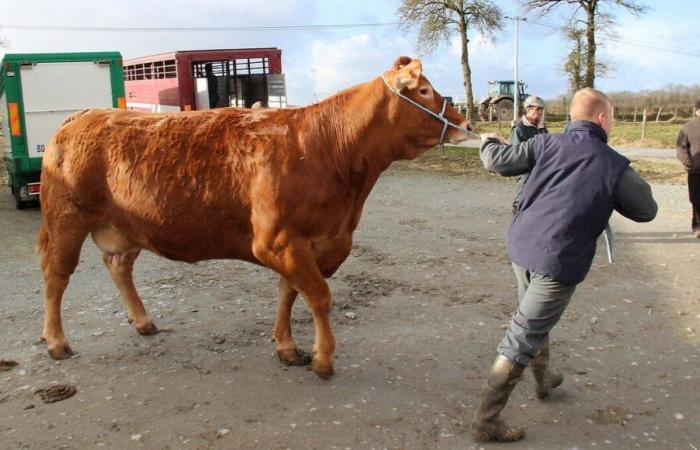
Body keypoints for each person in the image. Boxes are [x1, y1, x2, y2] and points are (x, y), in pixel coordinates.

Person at [472, 88, 658, 443]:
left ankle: (543, 381)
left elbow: (497, 160)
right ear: (602, 118)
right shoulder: (612, 164)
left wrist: (487, 141)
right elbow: (647, 210)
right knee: (522, 334)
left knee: (531, 319)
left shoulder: (544, 144)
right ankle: (486, 420)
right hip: (556, 261)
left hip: (521, 247)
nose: (614, 122)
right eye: (613, 117)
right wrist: (620, 176)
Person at [510, 96, 548, 213]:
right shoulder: (519, 129)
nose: (540, 112)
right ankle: (517, 211)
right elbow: (515, 151)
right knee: (523, 193)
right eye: (537, 109)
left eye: (541, 109)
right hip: (526, 168)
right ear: (528, 109)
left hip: (540, 166)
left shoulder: (541, 128)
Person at [676, 100, 700, 237]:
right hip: (695, 170)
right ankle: (697, 226)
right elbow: (681, 147)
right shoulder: (688, 127)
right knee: (696, 199)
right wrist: (688, 161)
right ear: (697, 111)